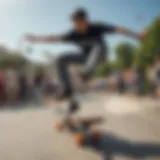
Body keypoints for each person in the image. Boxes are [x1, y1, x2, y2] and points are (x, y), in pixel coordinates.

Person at [24, 8, 144, 100]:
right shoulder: (72, 34)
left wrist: (135, 34)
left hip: (101, 54)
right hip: (86, 58)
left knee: (97, 46)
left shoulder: (96, 27)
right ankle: (67, 89)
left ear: (86, 20)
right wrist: (35, 38)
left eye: (81, 23)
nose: (79, 27)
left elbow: (118, 29)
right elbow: (53, 38)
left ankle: (87, 72)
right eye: (76, 24)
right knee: (61, 59)